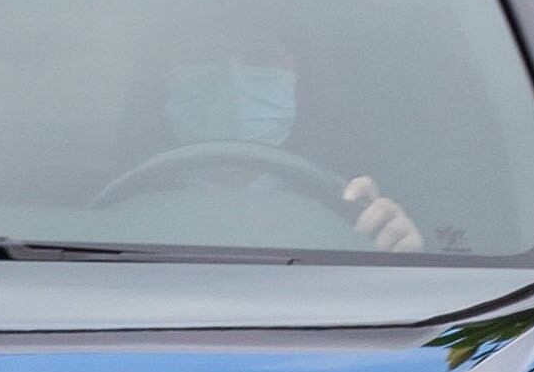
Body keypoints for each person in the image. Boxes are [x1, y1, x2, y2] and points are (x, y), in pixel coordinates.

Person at [153, 31, 427, 252]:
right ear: (163, 76)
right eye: (201, 56)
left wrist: (398, 250)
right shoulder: (115, 208)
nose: (232, 79)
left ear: (299, 75)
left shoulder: (352, 208)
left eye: (260, 57)